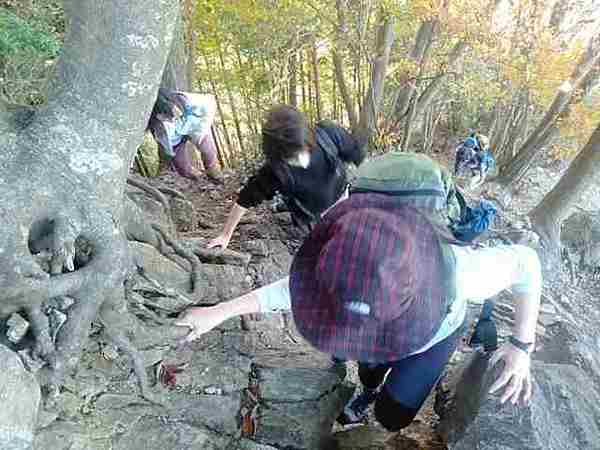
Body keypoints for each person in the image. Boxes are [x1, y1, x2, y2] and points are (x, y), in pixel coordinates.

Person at [176, 193, 542, 431]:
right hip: (382, 334)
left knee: (393, 416)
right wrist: (218, 312)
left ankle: (382, 403)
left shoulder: (460, 273)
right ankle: (368, 391)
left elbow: (526, 263)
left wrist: (522, 346)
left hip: (435, 333)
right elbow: (283, 292)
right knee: (369, 372)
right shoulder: (340, 266)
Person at [207, 105, 364, 250]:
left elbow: (358, 156)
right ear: (277, 153)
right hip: (311, 215)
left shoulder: (329, 134)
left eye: (302, 148)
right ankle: (286, 206)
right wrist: (225, 235)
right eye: (291, 155)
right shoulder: (275, 171)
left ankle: (283, 205)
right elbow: (246, 198)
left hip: (343, 195)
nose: (300, 158)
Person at [147, 88, 223, 183]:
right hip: (176, 137)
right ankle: (200, 179)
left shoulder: (194, 102)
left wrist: (200, 130)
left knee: (208, 151)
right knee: (182, 168)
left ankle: (216, 177)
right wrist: (170, 152)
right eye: (165, 117)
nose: (170, 119)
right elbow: (165, 142)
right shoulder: (158, 124)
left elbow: (210, 103)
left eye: (170, 116)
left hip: (196, 125)